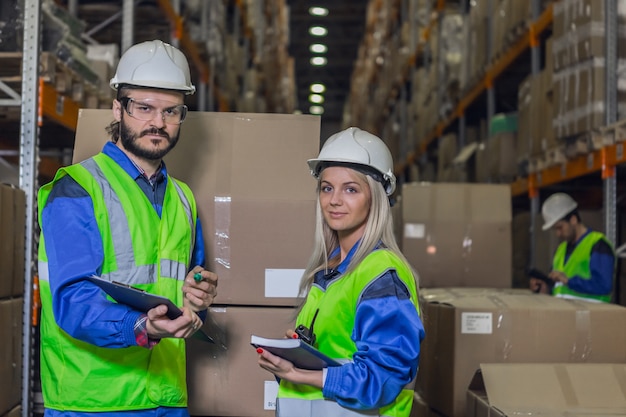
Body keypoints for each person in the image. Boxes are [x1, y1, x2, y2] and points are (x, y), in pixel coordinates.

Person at [37, 40, 218, 417]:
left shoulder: (183, 198)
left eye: (171, 111)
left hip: (166, 396)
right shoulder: (77, 189)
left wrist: (197, 294)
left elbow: (185, 280)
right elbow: (71, 301)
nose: (158, 122)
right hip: (94, 401)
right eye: (144, 108)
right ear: (118, 108)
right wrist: (141, 326)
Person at [256, 127, 426, 417]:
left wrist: (300, 374)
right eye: (327, 187)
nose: (334, 200)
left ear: (375, 197)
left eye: (350, 189)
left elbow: (383, 379)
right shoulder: (330, 270)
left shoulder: (381, 274)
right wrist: (301, 353)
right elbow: (338, 351)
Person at [530, 192, 615, 302]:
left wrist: (569, 281)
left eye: (560, 227)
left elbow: (604, 286)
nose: (558, 234)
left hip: (592, 315)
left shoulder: (598, 245)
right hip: (564, 313)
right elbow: (559, 288)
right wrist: (545, 288)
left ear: (573, 220)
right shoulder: (561, 249)